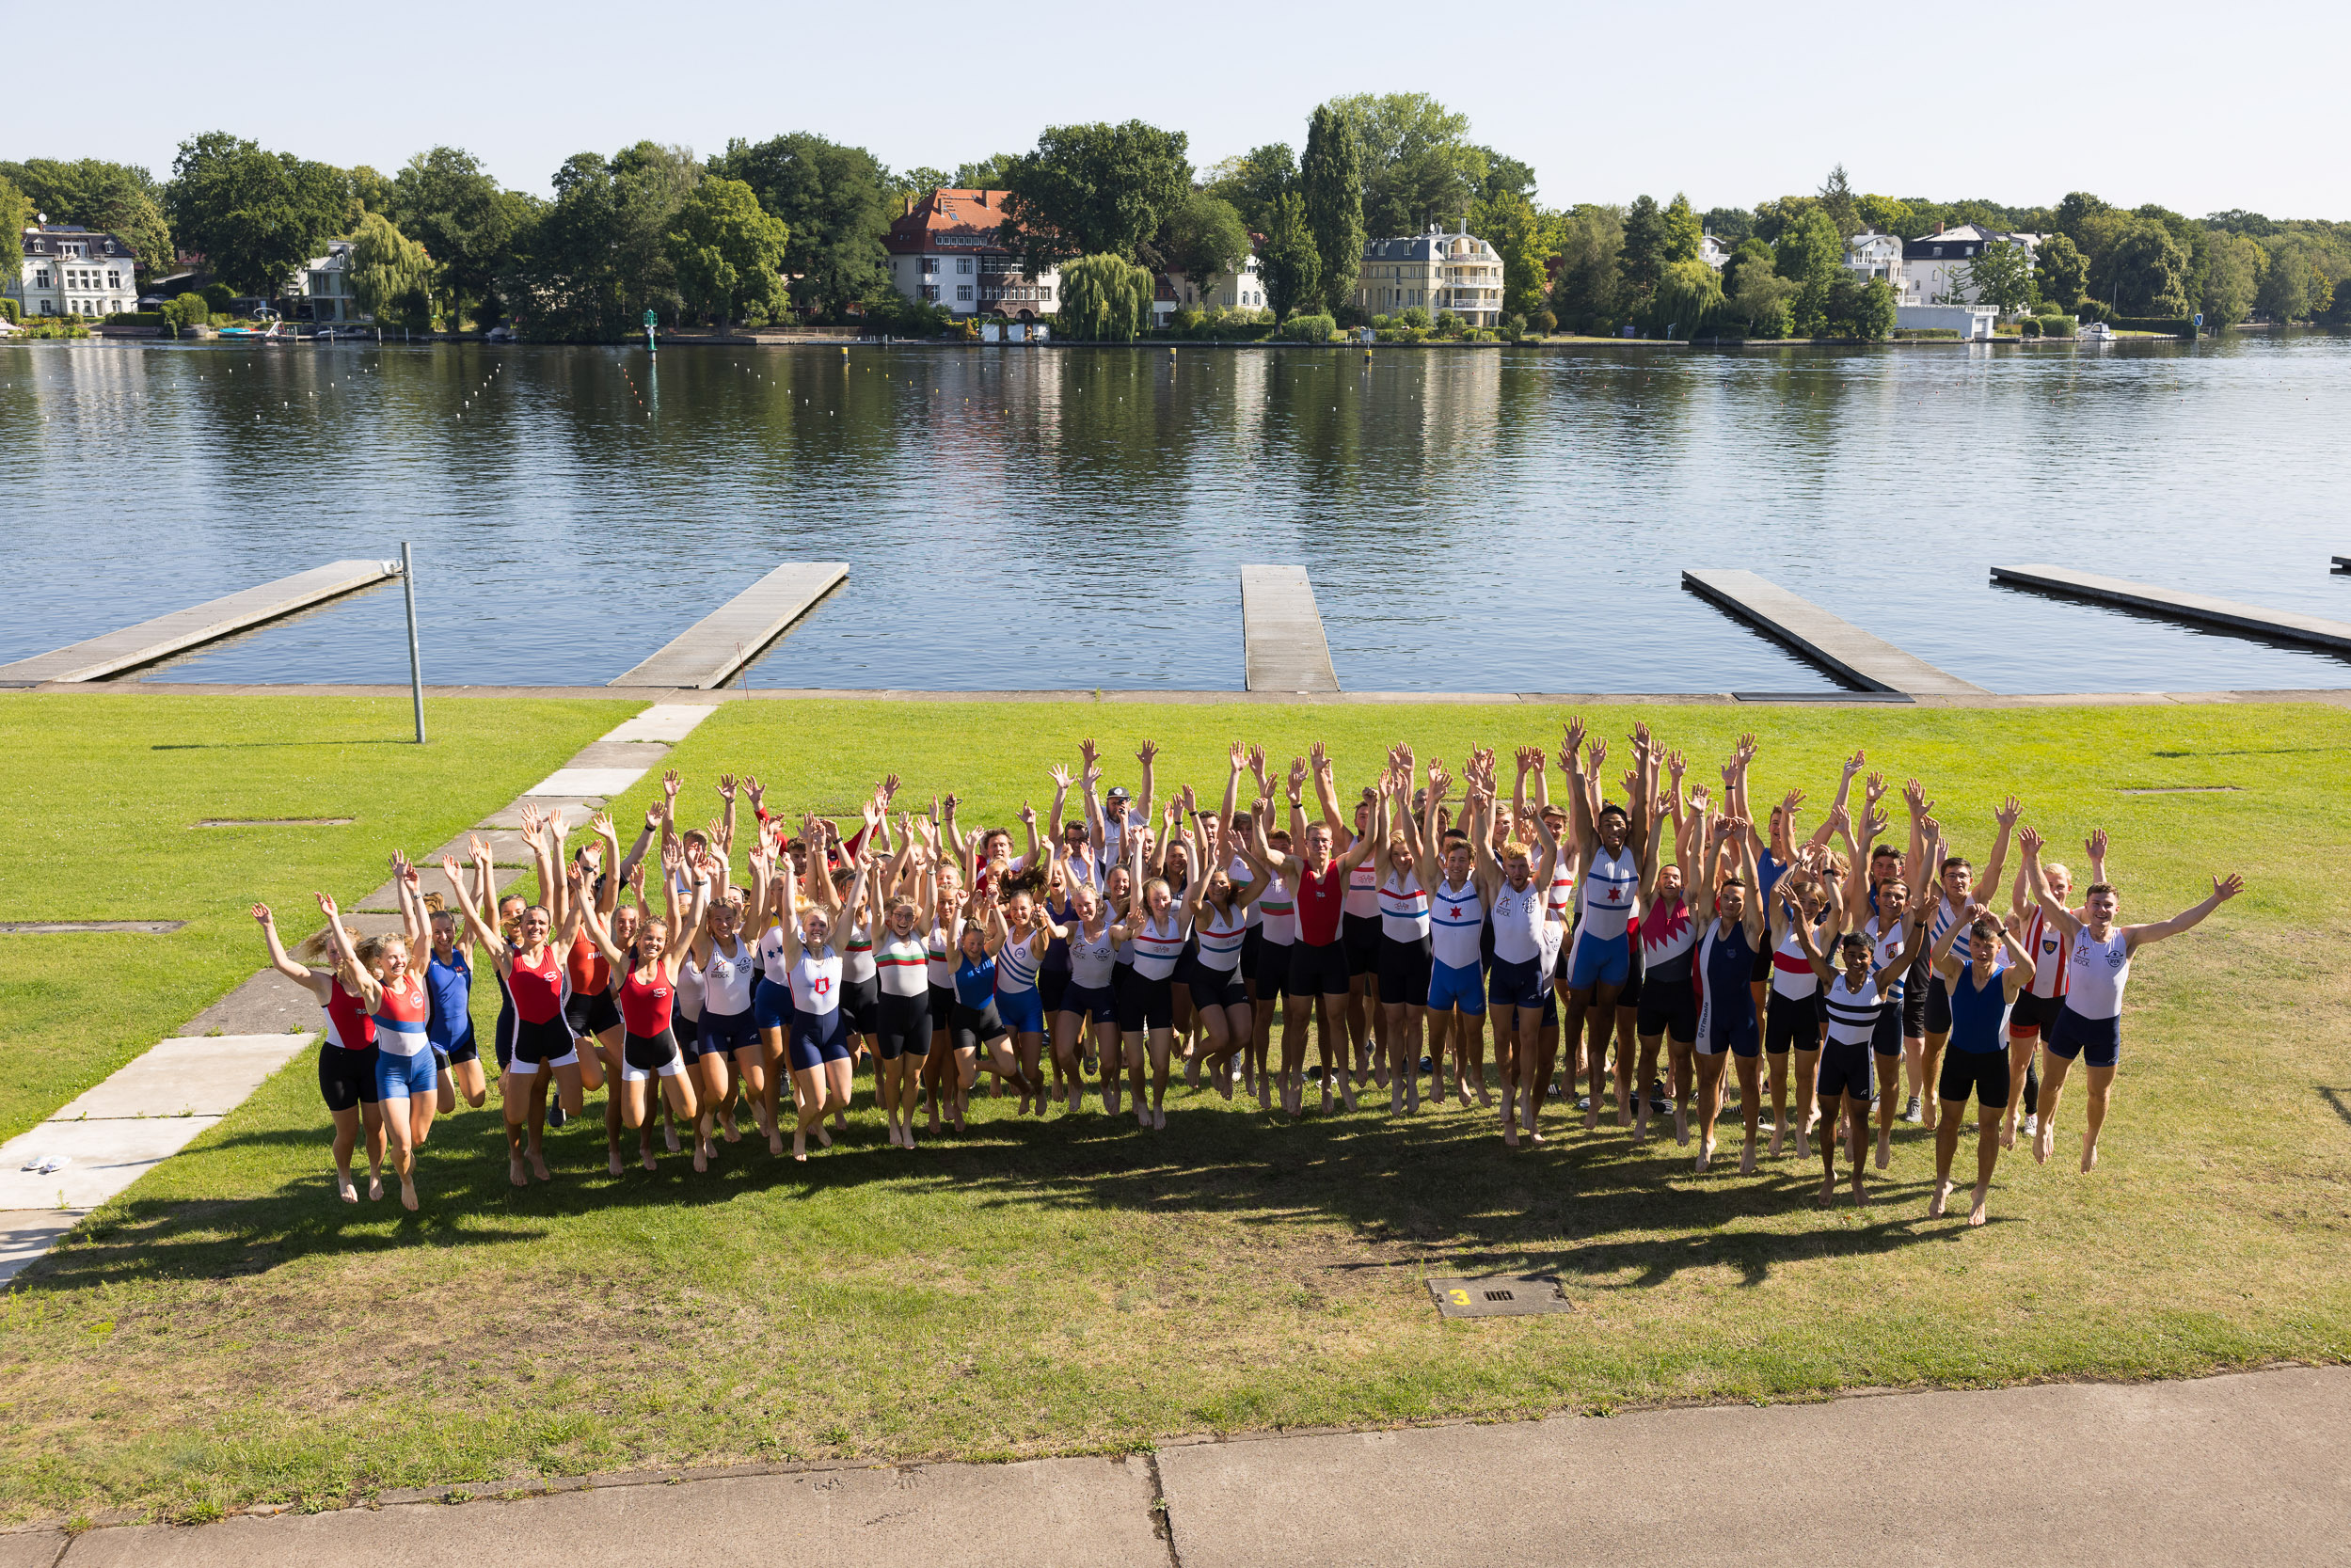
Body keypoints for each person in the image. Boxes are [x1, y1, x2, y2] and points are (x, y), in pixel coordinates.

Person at [2020, 827, 2242, 1172]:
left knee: (2099, 1094)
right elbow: (2044, 897)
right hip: (2070, 1020)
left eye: (2107, 905)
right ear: (2087, 907)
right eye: (2095, 904)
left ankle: (2090, 1139)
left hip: (2105, 1028)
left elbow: (2176, 924)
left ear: (2116, 909)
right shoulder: (2072, 931)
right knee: (2051, 1081)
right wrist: (2031, 857)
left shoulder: (2129, 938)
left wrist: (2215, 899)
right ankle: (2044, 1126)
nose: (2101, 910)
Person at [1790, 882, 1930, 1208]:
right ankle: (1829, 1174)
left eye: (1862, 957)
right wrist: (1798, 916)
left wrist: (1919, 922)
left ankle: (1857, 1179)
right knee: (1827, 1115)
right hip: (1832, 1060)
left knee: (1861, 1120)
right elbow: (1811, 950)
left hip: (1859, 1063)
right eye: (1850, 956)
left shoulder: (1880, 982)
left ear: (1871, 959)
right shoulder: (1830, 979)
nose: (1855, 962)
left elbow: (1909, 954)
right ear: (1843, 954)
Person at [581, 840, 710, 1170]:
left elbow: (692, 923)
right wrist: (583, 889)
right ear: (639, 940)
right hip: (634, 1052)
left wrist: (695, 879)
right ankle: (640, 1141)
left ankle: (696, 1133)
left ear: (665, 944)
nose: (653, 943)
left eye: (659, 939)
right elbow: (596, 932)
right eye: (648, 938)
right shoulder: (623, 967)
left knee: (689, 1112)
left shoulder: (670, 965)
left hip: (666, 1048)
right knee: (633, 1121)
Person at [314, 860, 435, 1211]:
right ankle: (406, 1180)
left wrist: (415, 892)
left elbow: (423, 936)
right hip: (392, 1070)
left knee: (419, 1137)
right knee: (402, 1144)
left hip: (424, 1064)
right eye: (390, 958)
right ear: (379, 963)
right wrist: (334, 919)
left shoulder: (416, 976)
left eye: (401, 956)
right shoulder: (375, 992)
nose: (398, 962)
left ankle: (403, 1167)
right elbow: (351, 961)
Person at [252, 900, 385, 1202]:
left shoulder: (375, 982)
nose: (337, 955)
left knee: (376, 1127)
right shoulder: (325, 985)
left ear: (357, 950)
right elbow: (284, 966)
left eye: (342, 949)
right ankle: (344, 1175)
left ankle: (376, 1174)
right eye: (332, 951)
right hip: (338, 1065)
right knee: (348, 1132)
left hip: (374, 1061)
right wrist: (269, 927)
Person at [1926, 903, 2036, 1224]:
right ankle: (1942, 1181)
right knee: (1949, 1123)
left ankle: (1981, 1192)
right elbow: (1936, 955)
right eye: (1976, 945)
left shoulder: (2007, 979)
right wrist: (1962, 919)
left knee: (1989, 1129)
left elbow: (2029, 968)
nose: (1982, 952)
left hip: (1993, 1062)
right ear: (1970, 945)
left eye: (1989, 946)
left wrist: (2001, 928)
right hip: (1958, 1057)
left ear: (1998, 948)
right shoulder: (1956, 971)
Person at [2002, 830, 2106, 1151]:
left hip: (2061, 1004)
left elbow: (2102, 905)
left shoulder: (2075, 919)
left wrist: (2097, 863)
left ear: (2069, 890)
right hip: (2027, 999)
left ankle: (2047, 1124)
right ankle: (2011, 1117)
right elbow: (2019, 897)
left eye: (2060, 887)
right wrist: (2025, 858)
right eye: (2048, 885)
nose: (2054, 891)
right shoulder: (2030, 914)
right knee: (2018, 1062)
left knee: (2053, 1071)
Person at [1477, 754, 1562, 1149]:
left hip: (1530, 972)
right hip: (1503, 975)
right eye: (1510, 865)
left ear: (1531, 865)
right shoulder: (1496, 885)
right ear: (1504, 867)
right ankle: (1509, 1096)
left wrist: (1539, 822)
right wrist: (1482, 807)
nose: (1516, 871)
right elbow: (1479, 845)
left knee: (1529, 1040)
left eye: (1521, 865)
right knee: (1502, 1040)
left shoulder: (1539, 888)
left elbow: (1553, 850)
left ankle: (1527, 1100)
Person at [769, 830, 867, 1161]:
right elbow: (787, 914)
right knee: (817, 1099)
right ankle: (800, 1132)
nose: (817, 929)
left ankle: (817, 1122)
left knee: (842, 1099)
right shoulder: (795, 953)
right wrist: (788, 873)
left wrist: (864, 873)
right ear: (803, 928)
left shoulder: (836, 949)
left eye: (822, 925)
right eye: (812, 924)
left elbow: (851, 906)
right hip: (806, 1033)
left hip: (834, 1030)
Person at [1691, 815, 1767, 1174]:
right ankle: (1707, 1139)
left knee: (1749, 1082)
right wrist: (1718, 841)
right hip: (1711, 1017)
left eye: (1737, 899)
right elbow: (1705, 886)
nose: (1732, 903)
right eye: (1727, 898)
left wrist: (1744, 841)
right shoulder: (1706, 924)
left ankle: (1749, 1143)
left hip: (1744, 1018)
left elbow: (1753, 887)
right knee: (1707, 1079)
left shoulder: (1751, 931)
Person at [1632, 766, 1704, 1146]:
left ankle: (1680, 1115)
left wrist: (1699, 816)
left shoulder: (1691, 908)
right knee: (1647, 1056)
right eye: (1666, 877)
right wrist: (1657, 819)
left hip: (1681, 996)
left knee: (1682, 1057)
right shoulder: (1647, 906)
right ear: (1658, 883)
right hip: (1654, 991)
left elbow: (1695, 860)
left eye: (1676, 878)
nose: (1671, 880)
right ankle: (1643, 1109)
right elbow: (1649, 858)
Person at [1373, 763, 1431, 1115]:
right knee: (1393, 1021)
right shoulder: (1383, 874)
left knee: (1414, 1020)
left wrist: (1404, 793)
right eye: (1398, 854)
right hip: (1391, 954)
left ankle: (1412, 1082)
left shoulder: (1423, 873)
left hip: (1420, 955)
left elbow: (1414, 837)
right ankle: (1397, 1081)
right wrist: (1384, 800)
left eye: (1407, 852)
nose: (1403, 858)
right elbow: (1380, 840)